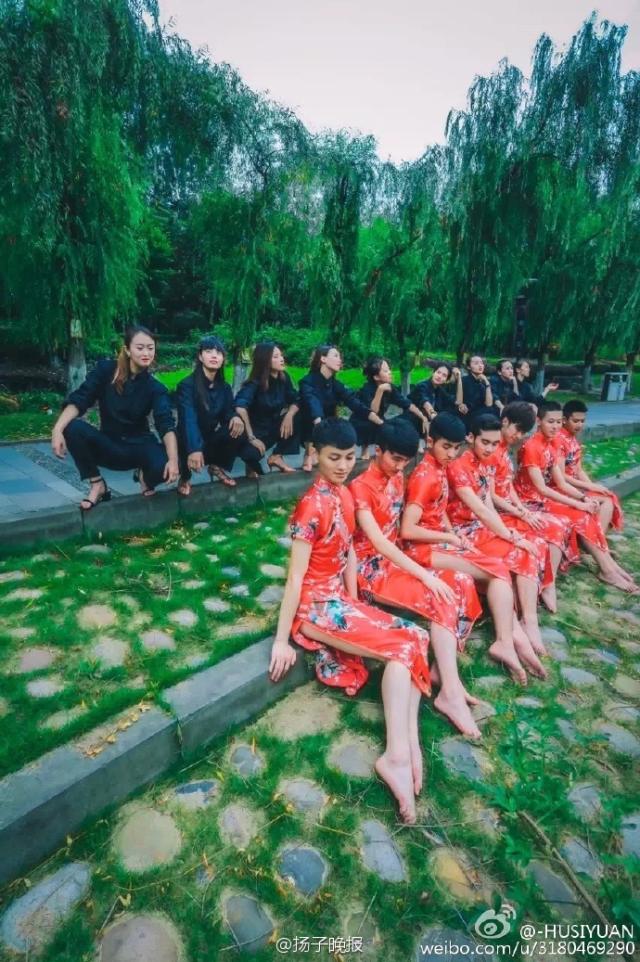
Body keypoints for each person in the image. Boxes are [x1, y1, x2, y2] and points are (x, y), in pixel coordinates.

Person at [269, 418, 431, 824]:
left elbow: (350, 554)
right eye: (332, 457)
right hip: (315, 609)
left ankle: (408, 737)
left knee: (416, 635)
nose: (342, 465)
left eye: (347, 457)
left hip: (339, 601)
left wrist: (359, 607)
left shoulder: (342, 493)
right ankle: (396, 756)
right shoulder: (311, 505)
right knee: (400, 648)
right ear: (316, 455)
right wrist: (280, 640)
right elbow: (295, 577)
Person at [349, 419, 482, 739]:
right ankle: (450, 692)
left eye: (406, 461)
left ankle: (446, 677)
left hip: (396, 560)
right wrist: (423, 574)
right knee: (438, 592)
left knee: (460, 581)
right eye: (394, 458)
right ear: (376, 452)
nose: (400, 466)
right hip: (372, 569)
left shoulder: (396, 478)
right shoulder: (360, 488)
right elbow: (378, 542)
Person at [400, 413, 536, 683]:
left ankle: (509, 637)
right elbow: (407, 529)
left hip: (439, 540)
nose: (451, 453)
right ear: (430, 442)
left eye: (455, 447)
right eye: (446, 447)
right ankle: (506, 639)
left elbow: (439, 511)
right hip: (420, 549)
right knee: (496, 569)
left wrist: (450, 533)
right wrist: (451, 538)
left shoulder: (437, 468)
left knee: (490, 568)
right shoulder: (425, 476)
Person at [446, 414, 548, 676]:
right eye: (485, 442)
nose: (490, 449)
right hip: (462, 531)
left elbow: (488, 504)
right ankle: (513, 634)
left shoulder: (485, 463)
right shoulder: (458, 466)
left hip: (480, 527)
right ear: (471, 438)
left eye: (494, 443)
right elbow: (478, 507)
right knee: (515, 551)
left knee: (525, 551)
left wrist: (508, 532)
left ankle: (529, 620)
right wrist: (512, 536)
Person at [514, 401, 638, 594]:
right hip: (530, 501)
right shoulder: (532, 446)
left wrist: (584, 498)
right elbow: (542, 489)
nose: (555, 426)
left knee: (586, 511)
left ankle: (608, 567)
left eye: (557, 422)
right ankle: (607, 569)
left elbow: (562, 482)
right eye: (550, 422)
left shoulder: (553, 443)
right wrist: (578, 504)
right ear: (539, 421)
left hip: (544, 498)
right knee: (580, 515)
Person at [51, 325, 179, 508]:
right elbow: (81, 399)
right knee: (72, 428)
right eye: (140, 347)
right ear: (127, 349)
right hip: (109, 445)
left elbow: (165, 423)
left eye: (150, 348)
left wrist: (173, 461)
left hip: (139, 446)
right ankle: (97, 485)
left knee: (169, 465)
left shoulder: (155, 388)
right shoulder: (105, 371)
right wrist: (57, 429)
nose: (146, 353)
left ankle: (145, 476)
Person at [489, 402, 569, 613]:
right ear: (504, 422)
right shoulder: (491, 450)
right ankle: (543, 585)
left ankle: (547, 583)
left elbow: (508, 486)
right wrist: (520, 512)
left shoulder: (504, 449)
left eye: (524, 432)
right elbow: (492, 495)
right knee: (547, 529)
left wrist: (522, 509)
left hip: (511, 507)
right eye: (518, 429)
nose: (519, 436)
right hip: (497, 513)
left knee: (557, 525)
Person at [175, 336, 261, 493]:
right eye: (208, 352)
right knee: (182, 441)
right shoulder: (186, 386)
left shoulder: (224, 387)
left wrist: (234, 417)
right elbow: (188, 419)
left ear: (223, 359)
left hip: (209, 439)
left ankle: (217, 466)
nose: (214, 356)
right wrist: (194, 449)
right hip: (186, 440)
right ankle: (185, 476)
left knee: (238, 428)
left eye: (218, 353)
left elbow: (228, 412)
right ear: (201, 357)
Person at [299, 345, 383, 472]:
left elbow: (354, 403)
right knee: (310, 415)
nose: (340, 360)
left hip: (327, 423)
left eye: (340, 357)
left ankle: (324, 453)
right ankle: (310, 452)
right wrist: (320, 428)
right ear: (323, 359)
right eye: (335, 356)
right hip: (311, 423)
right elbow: (312, 403)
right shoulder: (307, 382)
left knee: (346, 427)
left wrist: (380, 422)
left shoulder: (336, 385)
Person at [556, 399, 624, 534]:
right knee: (607, 502)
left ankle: (597, 539)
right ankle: (599, 543)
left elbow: (578, 469)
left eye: (582, 421)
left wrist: (594, 487)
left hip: (576, 486)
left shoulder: (573, 440)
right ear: (564, 419)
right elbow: (561, 475)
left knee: (607, 496)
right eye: (575, 421)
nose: (580, 425)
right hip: (562, 488)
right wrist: (590, 487)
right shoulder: (558, 440)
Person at [234, 342, 300, 475]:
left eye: (281, 355)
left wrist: (289, 415)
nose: (281, 359)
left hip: (274, 428)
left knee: (300, 413)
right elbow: (240, 406)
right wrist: (251, 437)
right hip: (256, 432)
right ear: (264, 361)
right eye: (275, 356)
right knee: (250, 456)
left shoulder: (283, 378)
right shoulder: (254, 383)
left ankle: (277, 456)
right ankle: (252, 468)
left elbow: (296, 399)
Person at [350, 356, 428, 459]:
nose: (390, 372)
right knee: (373, 423)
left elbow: (407, 404)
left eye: (389, 370)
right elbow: (372, 412)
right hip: (363, 422)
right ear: (376, 377)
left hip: (381, 420)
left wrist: (423, 417)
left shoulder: (391, 388)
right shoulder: (367, 389)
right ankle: (365, 450)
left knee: (412, 415)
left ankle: (413, 442)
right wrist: (380, 390)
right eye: (386, 371)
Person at [405, 362, 462, 433]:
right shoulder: (422, 386)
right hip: (410, 422)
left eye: (444, 375)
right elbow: (425, 402)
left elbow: (458, 402)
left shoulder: (439, 390)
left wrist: (459, 378)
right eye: (438, 372)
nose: (439, 376)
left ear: (446, 380)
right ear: (433, 372)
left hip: (427, 424)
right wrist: (433, 414)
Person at [458, 355, 493, 427]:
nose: (480, 365)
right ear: (468, 367)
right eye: (476, 363)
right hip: (467, 413)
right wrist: (461, 404)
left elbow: (489, 404)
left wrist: (487, 383)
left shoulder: (484, 382)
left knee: (491, 411)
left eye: (481, 363)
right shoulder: (464, 380)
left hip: (481, 413)